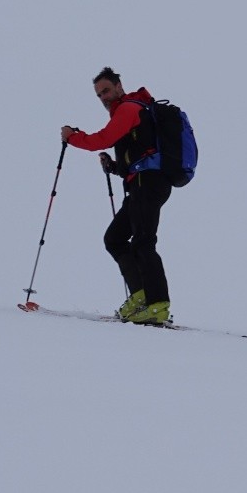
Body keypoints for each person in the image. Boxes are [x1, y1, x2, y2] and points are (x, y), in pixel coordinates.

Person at [61, 67, 172, 325]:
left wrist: (72, 137)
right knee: (115, 238)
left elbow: (102, 138)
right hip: (141, 183)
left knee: (144, 242)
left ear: (119, 86)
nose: (104, 97)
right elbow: (133, 155)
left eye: (107, 90)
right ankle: (141, 296)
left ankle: (158, 305)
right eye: (99, 95)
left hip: (149, 183)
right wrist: (113, 166)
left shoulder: (128, 109)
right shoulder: (129, 112)